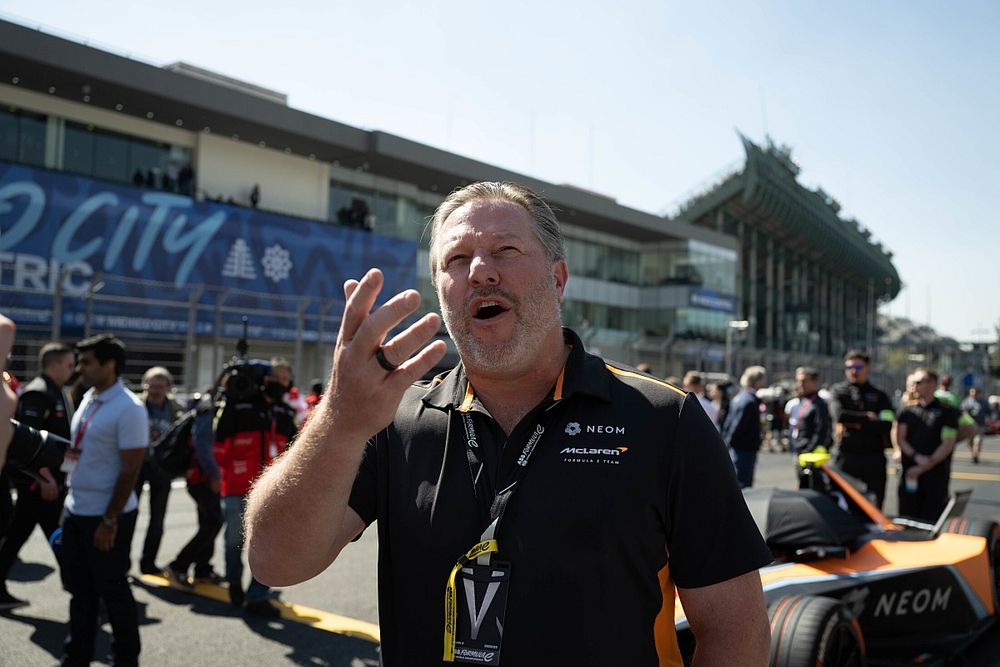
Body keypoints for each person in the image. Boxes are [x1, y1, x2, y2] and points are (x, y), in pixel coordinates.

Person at [245, 182, 771, 665]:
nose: (480, 271)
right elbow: (274, 563)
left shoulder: (663, 418)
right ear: (440, 290)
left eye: (505, 251)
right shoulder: (392, 420)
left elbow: (734, 629)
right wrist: (339, 418)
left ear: (558, 278)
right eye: (457, 259)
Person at [62, 334, 148, 666]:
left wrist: (110, 519)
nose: (80, 367)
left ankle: (126, 659)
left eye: (87, 362)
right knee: (80, 592)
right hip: (77, 509)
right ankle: (76, 657)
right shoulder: (89, 397)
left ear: (109, 365)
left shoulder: (128, 408)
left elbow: (130, 470)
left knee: (113, 593)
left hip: (107, 516)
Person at [214, 357, 297, 615]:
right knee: (232, 541)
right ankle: (234, 581)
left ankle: (257, 596)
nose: (279, 383)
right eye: (274, 377)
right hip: (237, 485)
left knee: (271, 544)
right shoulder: (238, 406)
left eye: (284, 379)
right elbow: (219, 444)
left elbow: (295, 452)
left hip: (274, 490)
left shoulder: (286, 413)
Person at [0, 342, 75, 610]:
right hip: (40, 483)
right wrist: (44, 479)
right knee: (60, 535)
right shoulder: (37, 393)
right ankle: (79, 589)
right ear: (53, 365)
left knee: (16, 535)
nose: (73, 369)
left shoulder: (56, 391)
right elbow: (25, 444)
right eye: (68, 364)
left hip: (49, 481)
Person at [164, 390, 224, 588]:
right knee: (213, 522)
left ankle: (203, 568)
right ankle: (178, 565)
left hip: (203, 477)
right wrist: (214, 473)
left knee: (208, 522)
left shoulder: (213, 409)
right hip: (201, 478)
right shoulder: (209, 410)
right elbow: (203, 444)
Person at [829, 351, 894, 509]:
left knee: (875, 502)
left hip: (874, 457)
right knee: (843, 502)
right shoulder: (838, 391)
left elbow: (887, 423)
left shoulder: (879, 395)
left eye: (858, 366)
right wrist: (868, 417)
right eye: (849, 367)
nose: (853, 371)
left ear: (867, 368)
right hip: (846, 456)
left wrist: (857, 422)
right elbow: (839, 415)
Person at [134, 366, 183, 575]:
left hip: (162, 468)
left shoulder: (175, 409)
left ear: (168, 387)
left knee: (157, 518)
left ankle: (148, 563)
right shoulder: (134, 405)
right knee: (128, 514)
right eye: (150, 385)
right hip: (135, 466)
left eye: (159, 386)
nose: (154, 390)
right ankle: (121, 565)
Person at [893, 369, 960, 522]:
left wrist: (924, 466)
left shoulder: (947, 412)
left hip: (936, 475)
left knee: (933, 516)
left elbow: (948, 443)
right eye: (913, 383)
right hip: (910, 473)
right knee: (907, 516)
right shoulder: (906, 411)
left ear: (932, 384)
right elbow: (900, 439)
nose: (914, 386)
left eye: (918, 382)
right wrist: (916, 457)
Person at [721, 365, 767, 488]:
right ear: (757, 381)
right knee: (743, 485)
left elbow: (729, 424)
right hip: (744, 449)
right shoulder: (749, 400)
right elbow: (737, 426)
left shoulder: (739, 397)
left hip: (737, 448)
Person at [787, 367, 831, 454]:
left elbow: (821, 430)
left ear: (814, 382)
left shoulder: (819, 404)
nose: (800, 384)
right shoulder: (802, 401)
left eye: (803, 381)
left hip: (810, 454)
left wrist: (809, 450)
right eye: (798, 381)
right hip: (799, 449)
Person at [961, 387, 989, 464]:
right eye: (972, 392)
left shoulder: (983, 402)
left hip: (980, 425)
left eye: (975, 392)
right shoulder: (966, 401)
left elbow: (988, 412)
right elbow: (962, 411)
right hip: (970, 425)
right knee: (969, 442)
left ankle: (975, 456)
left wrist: (989, 419)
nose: (974, 394)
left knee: (978, 441)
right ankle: (973, 452)